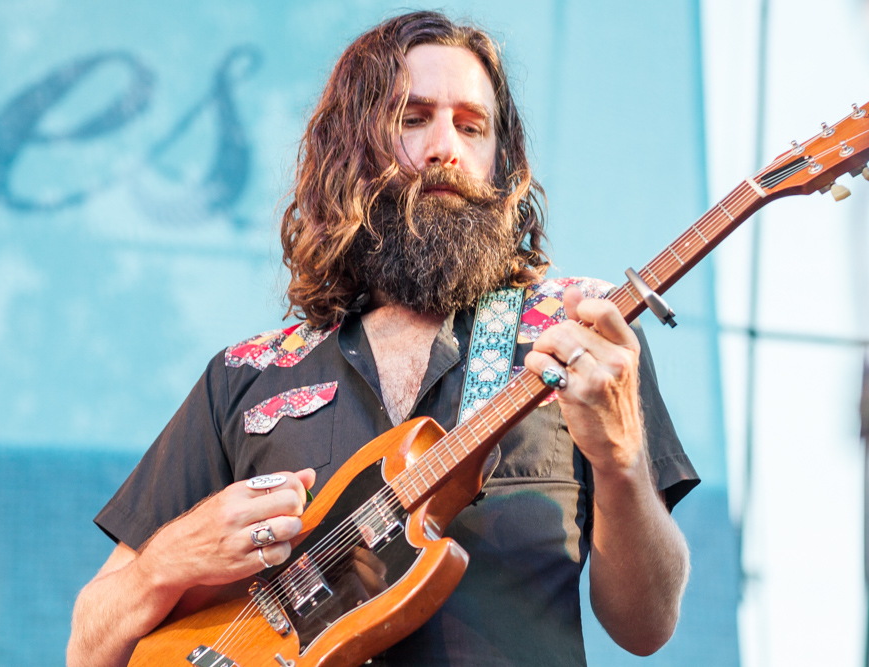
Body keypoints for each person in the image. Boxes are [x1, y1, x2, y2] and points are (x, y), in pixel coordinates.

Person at [68, 11, 699, 667]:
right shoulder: (249, 373)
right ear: (354, 150)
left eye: (472, 125)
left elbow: (646, 625)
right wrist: (165, 563)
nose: (445, 148)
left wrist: (622, 459)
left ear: (498, 163)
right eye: (413, 117)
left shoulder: (579, 337)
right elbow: (87, 645)